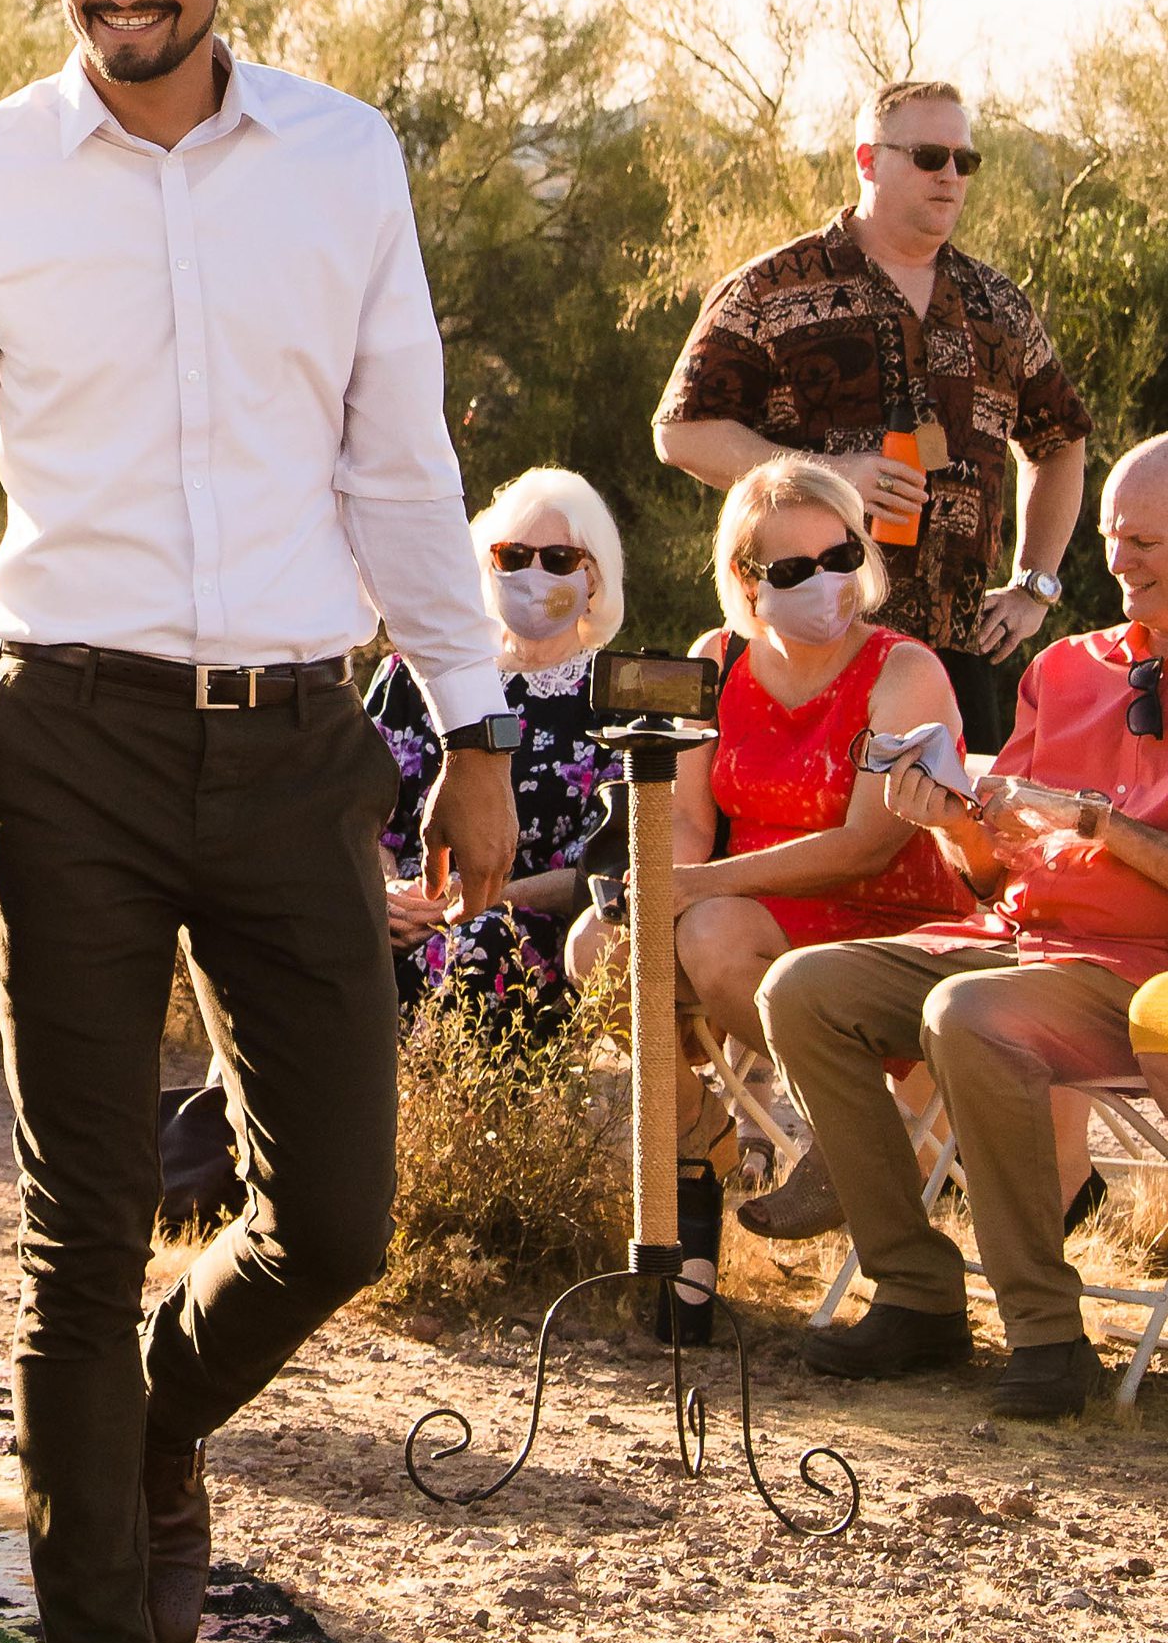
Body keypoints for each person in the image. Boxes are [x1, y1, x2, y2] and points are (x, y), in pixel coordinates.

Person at [0, 0, 515, 1643]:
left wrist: (471, 714)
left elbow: (401, 456)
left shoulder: (339, 160)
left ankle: (134, 1439)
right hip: (75, 747)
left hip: (307, 737)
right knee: (78, 1222)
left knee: (340, 1217)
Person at [762, 432, 1168, 1422]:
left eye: (1148, 541)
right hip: (1024, 946)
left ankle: (1045, 1331)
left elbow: (1089, 838)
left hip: (1143, 975)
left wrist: (1103, 824)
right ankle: (916, 1290)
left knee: (971, 1015)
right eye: (1113, 538)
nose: (1118, 561)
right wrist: (952, 823)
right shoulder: (1067, 668)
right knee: (806, 990)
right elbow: (998, 872)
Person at [565, 455, 955, 1320]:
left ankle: (850, 1132)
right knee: (597, 948)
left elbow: (864, 847)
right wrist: (655, 889)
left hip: (888, 918)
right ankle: (699, 1141)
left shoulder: (904, 670)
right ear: (745, 579)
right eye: (793, 570)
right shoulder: (717, 659)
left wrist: (694, 885)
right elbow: (693, 827)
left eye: (843, 555)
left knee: (707, 933)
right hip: (754, 911)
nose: (829, 583)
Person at [654, 77, 1087, 755]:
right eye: (928, 157)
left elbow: (1061, 442)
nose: (949, 176)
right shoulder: (773, 287)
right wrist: (829, 475)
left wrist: (1035, 585)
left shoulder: (999, 306)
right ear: (867, 160)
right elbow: (680, 430)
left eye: (964, 161)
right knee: (780, 841)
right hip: (799, 646)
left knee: (949, 856)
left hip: (955, 653)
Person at [368, 466, 626, 1033]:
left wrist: (469, 900)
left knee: (477, 946)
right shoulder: (416, 678)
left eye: (557, 559)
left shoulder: (613, 702)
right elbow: (355, 809)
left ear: (595, 580)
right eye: (512, 557)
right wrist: (385, 892)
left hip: (518, 919)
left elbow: (598, 867)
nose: (533, 573)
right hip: (393, 906)